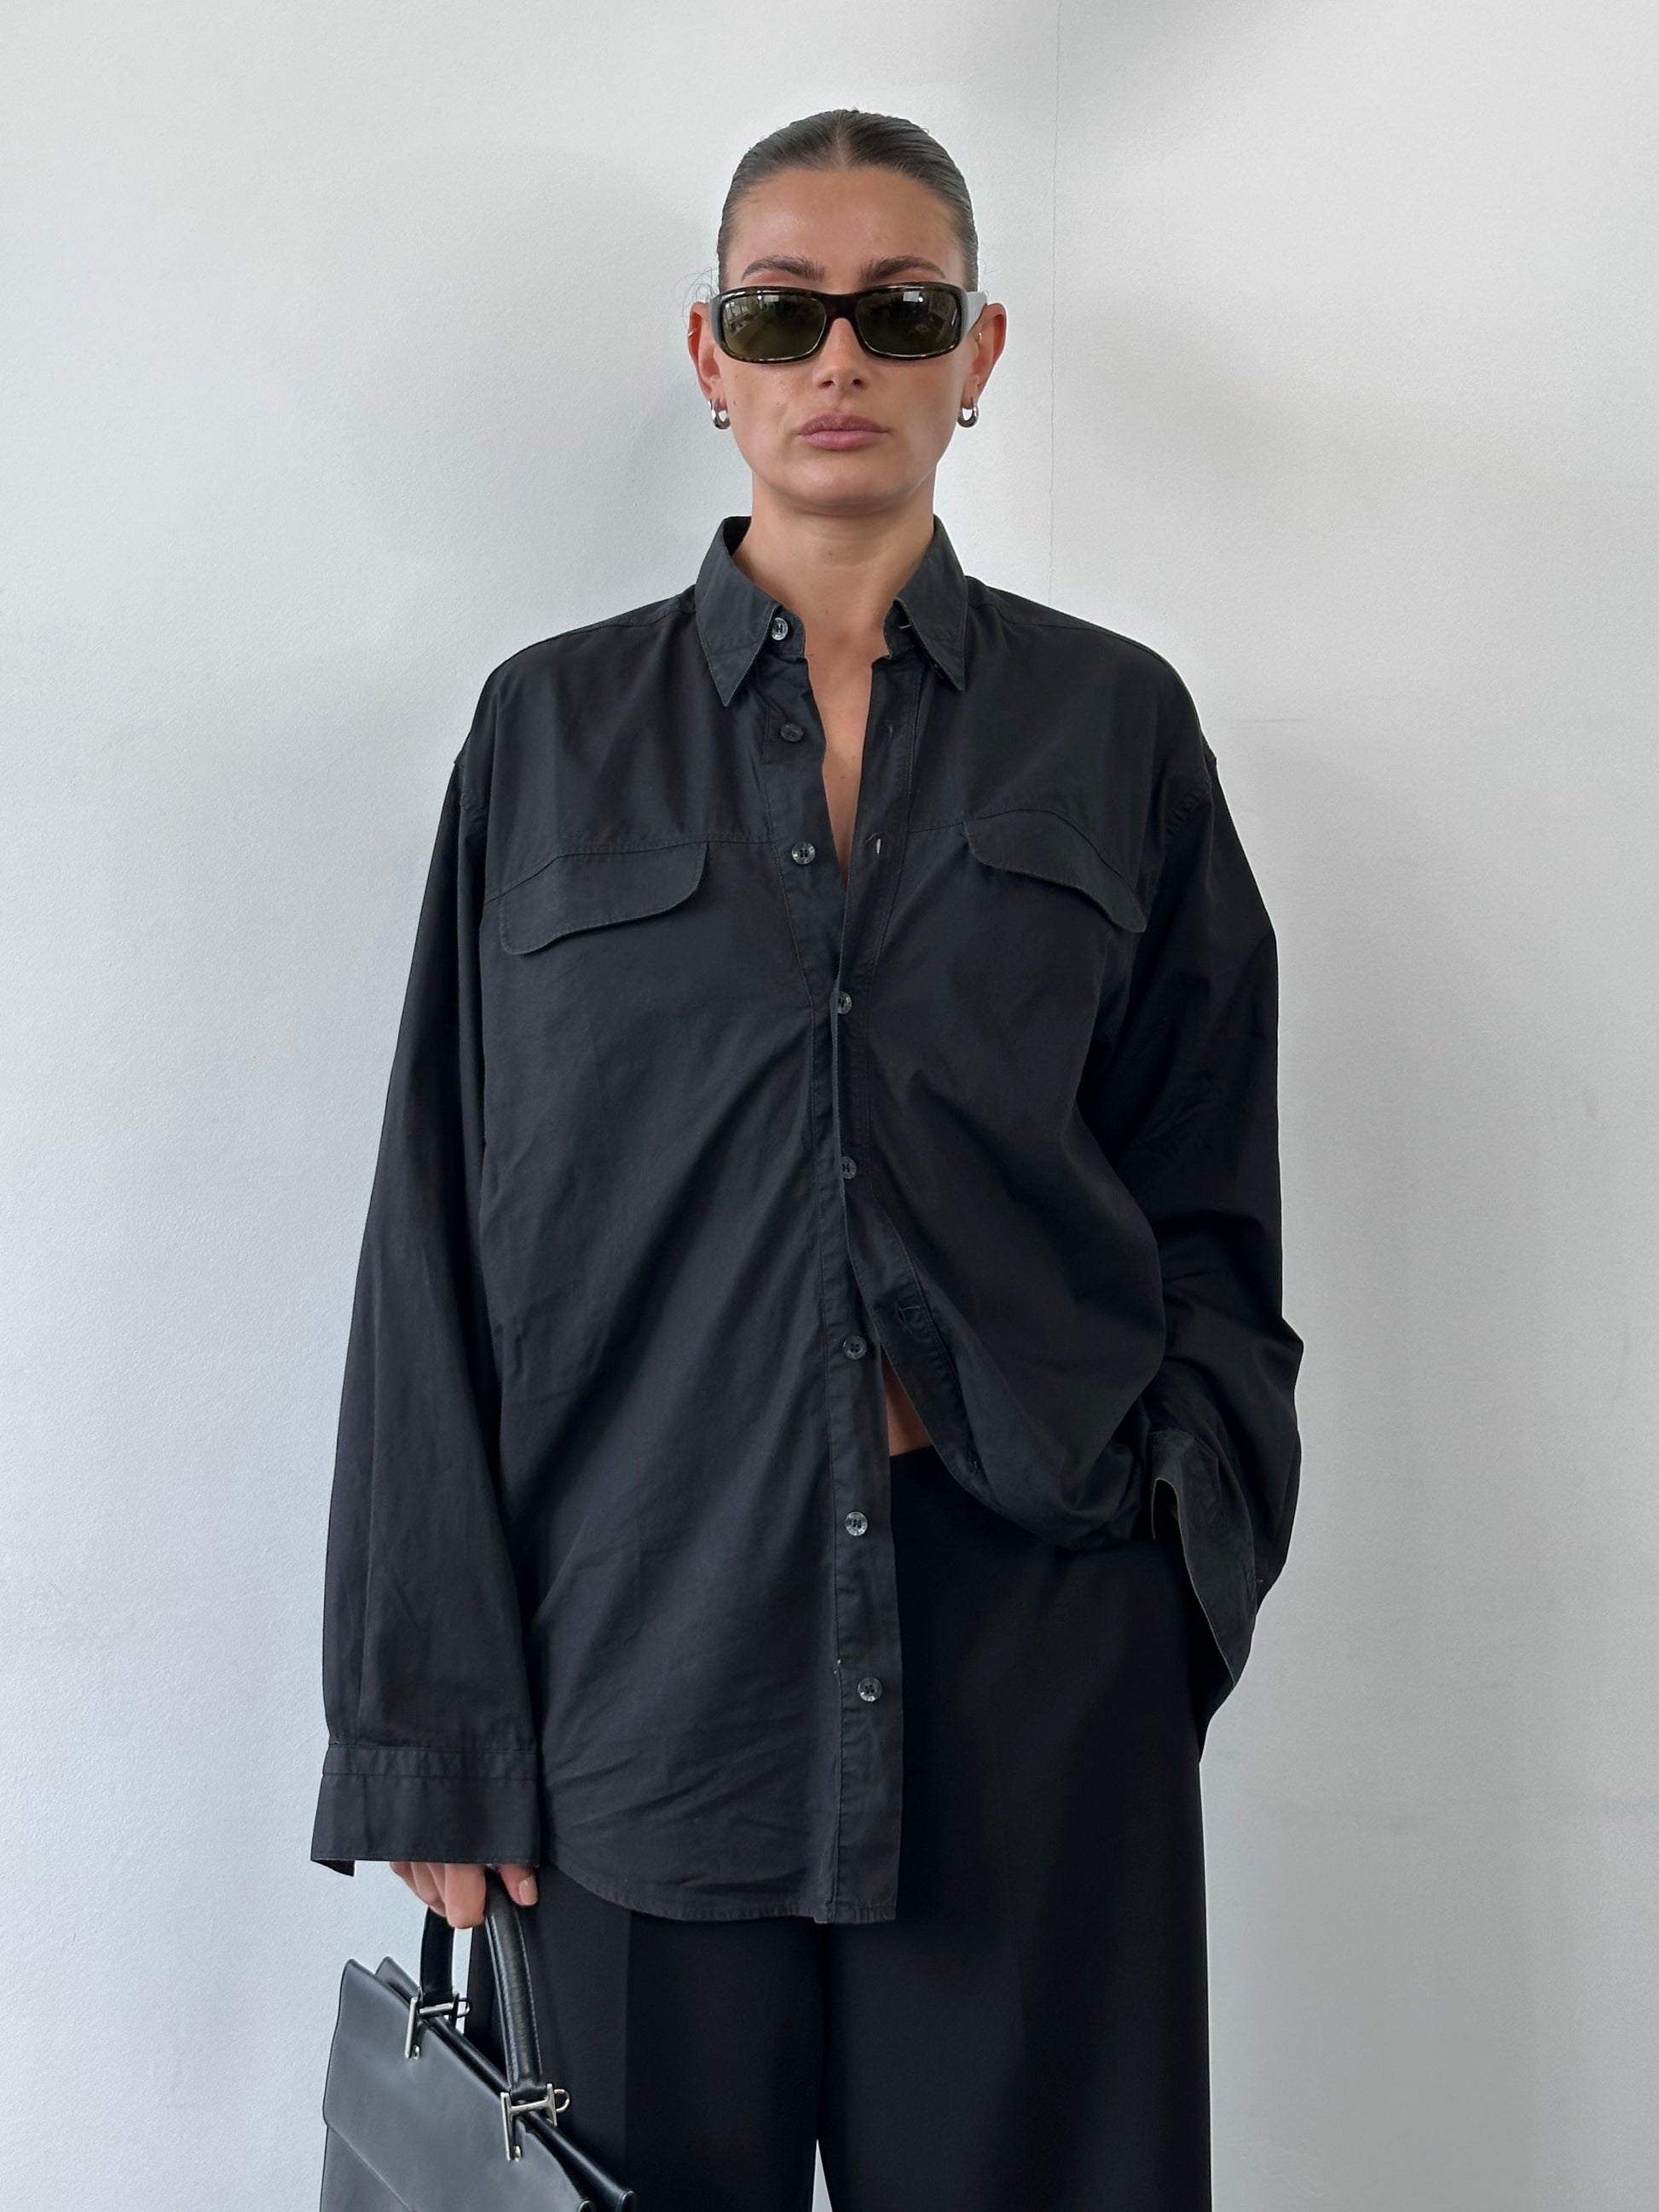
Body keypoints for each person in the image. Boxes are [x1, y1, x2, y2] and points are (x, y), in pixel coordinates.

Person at [311, 106, 1303, 2211]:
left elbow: (1210, 1194)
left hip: (1031, 1670)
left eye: (899, 310)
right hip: (637, 1670)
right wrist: (428, 1728)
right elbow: (435, 1236)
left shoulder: (1113, 728)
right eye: (783, 311)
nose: (838, 355)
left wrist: (1172, 1543)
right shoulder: (547, 734)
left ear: (978, 349)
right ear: (712, 353)